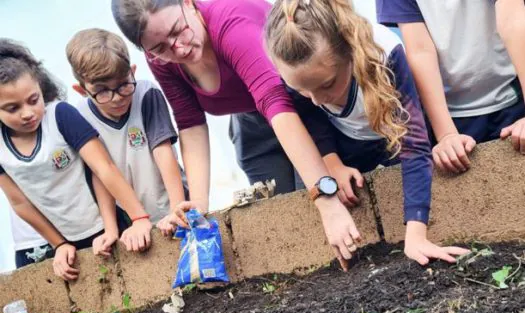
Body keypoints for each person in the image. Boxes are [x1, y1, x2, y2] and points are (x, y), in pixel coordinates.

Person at [111, 0, 364, 270]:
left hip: (300, 108)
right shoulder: (161, 61)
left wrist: (326, 200)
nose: (179, 48)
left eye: (178, 30)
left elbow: (275, 101)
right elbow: (190, 123)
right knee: (283, 214)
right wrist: (197, 205)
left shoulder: (231, 21)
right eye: (160, 48)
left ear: (188, 3)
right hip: (251, 125)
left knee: (321, 203)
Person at [265, 0, 470, 264]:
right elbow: (311, 117)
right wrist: (331, 163)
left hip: (391, 131)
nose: (316, 99)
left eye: (327, 84)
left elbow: (414, 147)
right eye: (303, 89)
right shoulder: (298, 72)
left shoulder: (386, 55)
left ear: (349, 53)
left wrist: (416, 235)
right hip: (345, 140)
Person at [0, 38, 153, 280]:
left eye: (33, 100)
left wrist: (136, 219)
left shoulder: (60, 116)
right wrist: (59, 244)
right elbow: (19, 203)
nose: (28, 113)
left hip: (103, 224)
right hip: (65, 239)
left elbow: (103, 168)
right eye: (12, 108)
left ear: (41, 88)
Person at [66, 28, 188, 242]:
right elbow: (100, 174)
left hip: (170, 201)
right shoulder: (81, 116)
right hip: (131, 219)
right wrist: (111, 229)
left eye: (123, 85)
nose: (116, 98)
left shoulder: (146, 94)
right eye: (102, 91)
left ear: (132, 71)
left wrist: (176, 210)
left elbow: (163, 152)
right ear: (82, 90)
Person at [376, 0, 525, 173]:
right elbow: (420, 50)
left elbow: (513, 19)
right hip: (454, 113)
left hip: (513, 96)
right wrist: (446, 135)